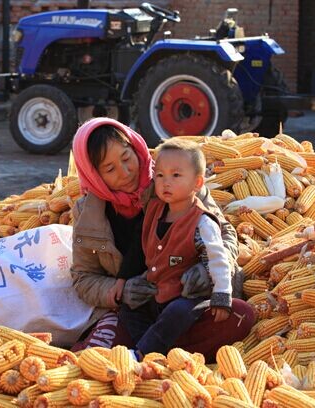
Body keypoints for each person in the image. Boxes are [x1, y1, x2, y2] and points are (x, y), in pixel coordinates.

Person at [69, 117, 254, 361]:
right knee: (103, 350)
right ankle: (165, 350)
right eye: (110, 169)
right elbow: (83, 278)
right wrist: (120, 292)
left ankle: (150, 351)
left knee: (239, 315)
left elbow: (225, 233)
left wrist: (207, 270)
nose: (125, 173)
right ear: (94, 175)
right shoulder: (87, 213)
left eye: (127, 158)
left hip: (184, 299)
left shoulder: (175, 173)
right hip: (138, 309)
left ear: (136, 148)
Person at [117, 138, 234, 357]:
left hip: (187, 295)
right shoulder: (154, 211)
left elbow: (218, 259)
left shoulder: (202, 222)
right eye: (160, 175)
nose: (165, 182)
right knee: (128, 310)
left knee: (177, 313)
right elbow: (138, 246)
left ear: (198, 184)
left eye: (176, 175)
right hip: (156, 291)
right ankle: (154, 347)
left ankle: (142, 353)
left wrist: (221, 294)